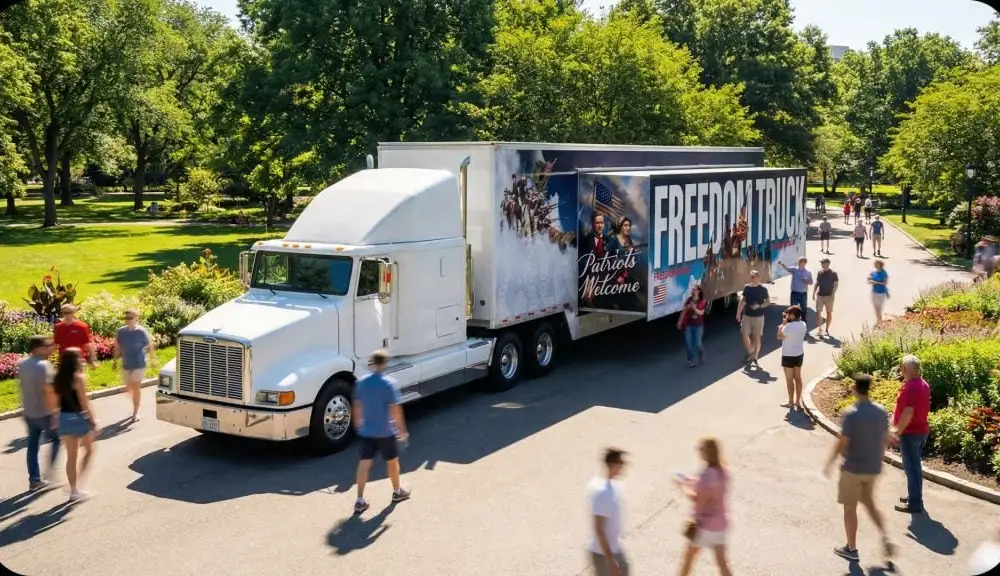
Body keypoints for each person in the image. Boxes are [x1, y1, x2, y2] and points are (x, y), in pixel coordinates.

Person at [823, 374, 895, 563]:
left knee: (849, 508)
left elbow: (842, 442)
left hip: (853, 469)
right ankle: (885, 536)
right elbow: (885, 438)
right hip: (872, 468)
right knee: (870, 504)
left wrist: (830, 463)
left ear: (855, 388)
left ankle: (851, 548)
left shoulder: (851, 413)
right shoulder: (880, 411)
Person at [352, 350, 410, 515]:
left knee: (364, 464)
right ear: (384, 363)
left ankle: (360, 500)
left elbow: (357, 405)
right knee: (392, 462)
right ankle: (397, 491)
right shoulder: (388, 383)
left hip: (367, 431)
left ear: (372, 362)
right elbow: (395, 410)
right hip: (385, 431)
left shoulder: (361, 382)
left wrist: (358, 423)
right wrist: (402, 430)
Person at [675, 437, 732, 576]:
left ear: (706, 453)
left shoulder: (707, 475)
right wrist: (691, 480)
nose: (698, 452)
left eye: (700, 449)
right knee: (722, 564)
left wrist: (683, 487)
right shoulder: (722, 471)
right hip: (721, 524)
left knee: (688, 559)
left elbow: (698, 500)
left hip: (705, 526)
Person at [54, 348, 98, 502]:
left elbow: (55, 402)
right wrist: (93, 421)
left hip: (63, 417)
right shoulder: (78, 378)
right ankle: (77, 484)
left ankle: (73, 489)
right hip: (77, 417)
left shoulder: (58, 378)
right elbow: (84, 403)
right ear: (75, 360)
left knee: (71, 456)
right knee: (90, 450)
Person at [19, 335, 60, 491]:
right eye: (47, 345)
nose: (50, 347)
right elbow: (49, 391)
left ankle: (34, 480)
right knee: (56, 439)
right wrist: (55, 413)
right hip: (44, 413)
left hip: (29, 411)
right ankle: (49, 474)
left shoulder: (23, 363)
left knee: (32, 446)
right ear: (37, 348)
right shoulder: (44, 366)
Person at [892, 355, 931, 514]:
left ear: (906, 369)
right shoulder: (922, 384)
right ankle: (913, 496)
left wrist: (896, 431)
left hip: (910, 434)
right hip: (921, 431)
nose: (901, 371)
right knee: (914, 467)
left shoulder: (911, 387)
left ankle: (915, 503)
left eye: (901, 368)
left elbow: (908, 412)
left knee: (912, 468)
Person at [589, 448, 628, 576]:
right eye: (620, 463)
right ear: (612, 465)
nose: (623, 466)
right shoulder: (603, 492)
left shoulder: (609, 485)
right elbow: (599, 529)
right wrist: (610, 560)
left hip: (613, 548)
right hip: (604, 554)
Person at [113, 309, 155, 422]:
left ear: (136, 318)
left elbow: (150, 345)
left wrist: (153, 359)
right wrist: (115, 361)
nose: (128, 320)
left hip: (139, 363)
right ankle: (135, 399)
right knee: (128, 387)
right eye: (126, 318)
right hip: (127, 364)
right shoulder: (121, 331)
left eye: (130, 318)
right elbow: (118, 347)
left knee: (136, 388)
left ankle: (136, 412)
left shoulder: (141, 332)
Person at [736, 270, 770, 367]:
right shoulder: (747, 288)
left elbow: (768, 302)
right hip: (747, 315)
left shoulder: (763, 289)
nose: (755, 278)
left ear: (758, 278)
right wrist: (738, 313)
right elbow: (742, 300)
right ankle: (751, 352)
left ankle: (755, 356)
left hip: (759, 316)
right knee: (744, 334)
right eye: (753, 277)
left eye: (756, 277)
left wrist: (759, 306)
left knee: (756, 337)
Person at [777, 306, 808, 409]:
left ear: (793, 315)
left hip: (788, 355)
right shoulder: (803, 324)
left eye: (789, 314)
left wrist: (782, 325)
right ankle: (798, 401)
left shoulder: (788, 327)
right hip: (799, 354)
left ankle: (790, 401)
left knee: (789, 379)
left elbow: (779, 336)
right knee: (798, 378)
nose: (787, 316)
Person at [678, 286, 707, 368]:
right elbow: (684, 311)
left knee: (698, 344)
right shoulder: (689, 300)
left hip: (698, 326)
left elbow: (701, 313)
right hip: (689, 325)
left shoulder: (703, 301)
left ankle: (701, 353)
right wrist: (680, 321)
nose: (693, 291)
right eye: (692, 290)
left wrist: (694, 308)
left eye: (694, 290)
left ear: (699, 291)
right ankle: (690, 360)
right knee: (688, 343)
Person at [779, 257, 813, 326]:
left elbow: (811, 282)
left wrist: (806, 281)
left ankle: (803, 324)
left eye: (803, 262)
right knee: (792, 309)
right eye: (800, 262)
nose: (801, 264)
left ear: (805, 263)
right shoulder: (794, 270)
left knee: (803, 309)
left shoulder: (808, 272)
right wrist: (782, 264)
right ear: (799, 263)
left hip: (803, 293)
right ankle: (791, 324)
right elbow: (787, 269)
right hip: (794, 293)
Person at [813, 258, 839, 337]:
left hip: (829, 296)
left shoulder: (833, 273)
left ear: (827, 264)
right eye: (821, 263)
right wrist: (813, 293)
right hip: (820, 295)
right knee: (818, 312)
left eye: (823, 263)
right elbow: (817, 283)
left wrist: (832, 293)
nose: (822, 264)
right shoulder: (820, 272)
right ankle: (820, 329)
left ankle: (827, 329)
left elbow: (836, 285)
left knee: (828, 312)